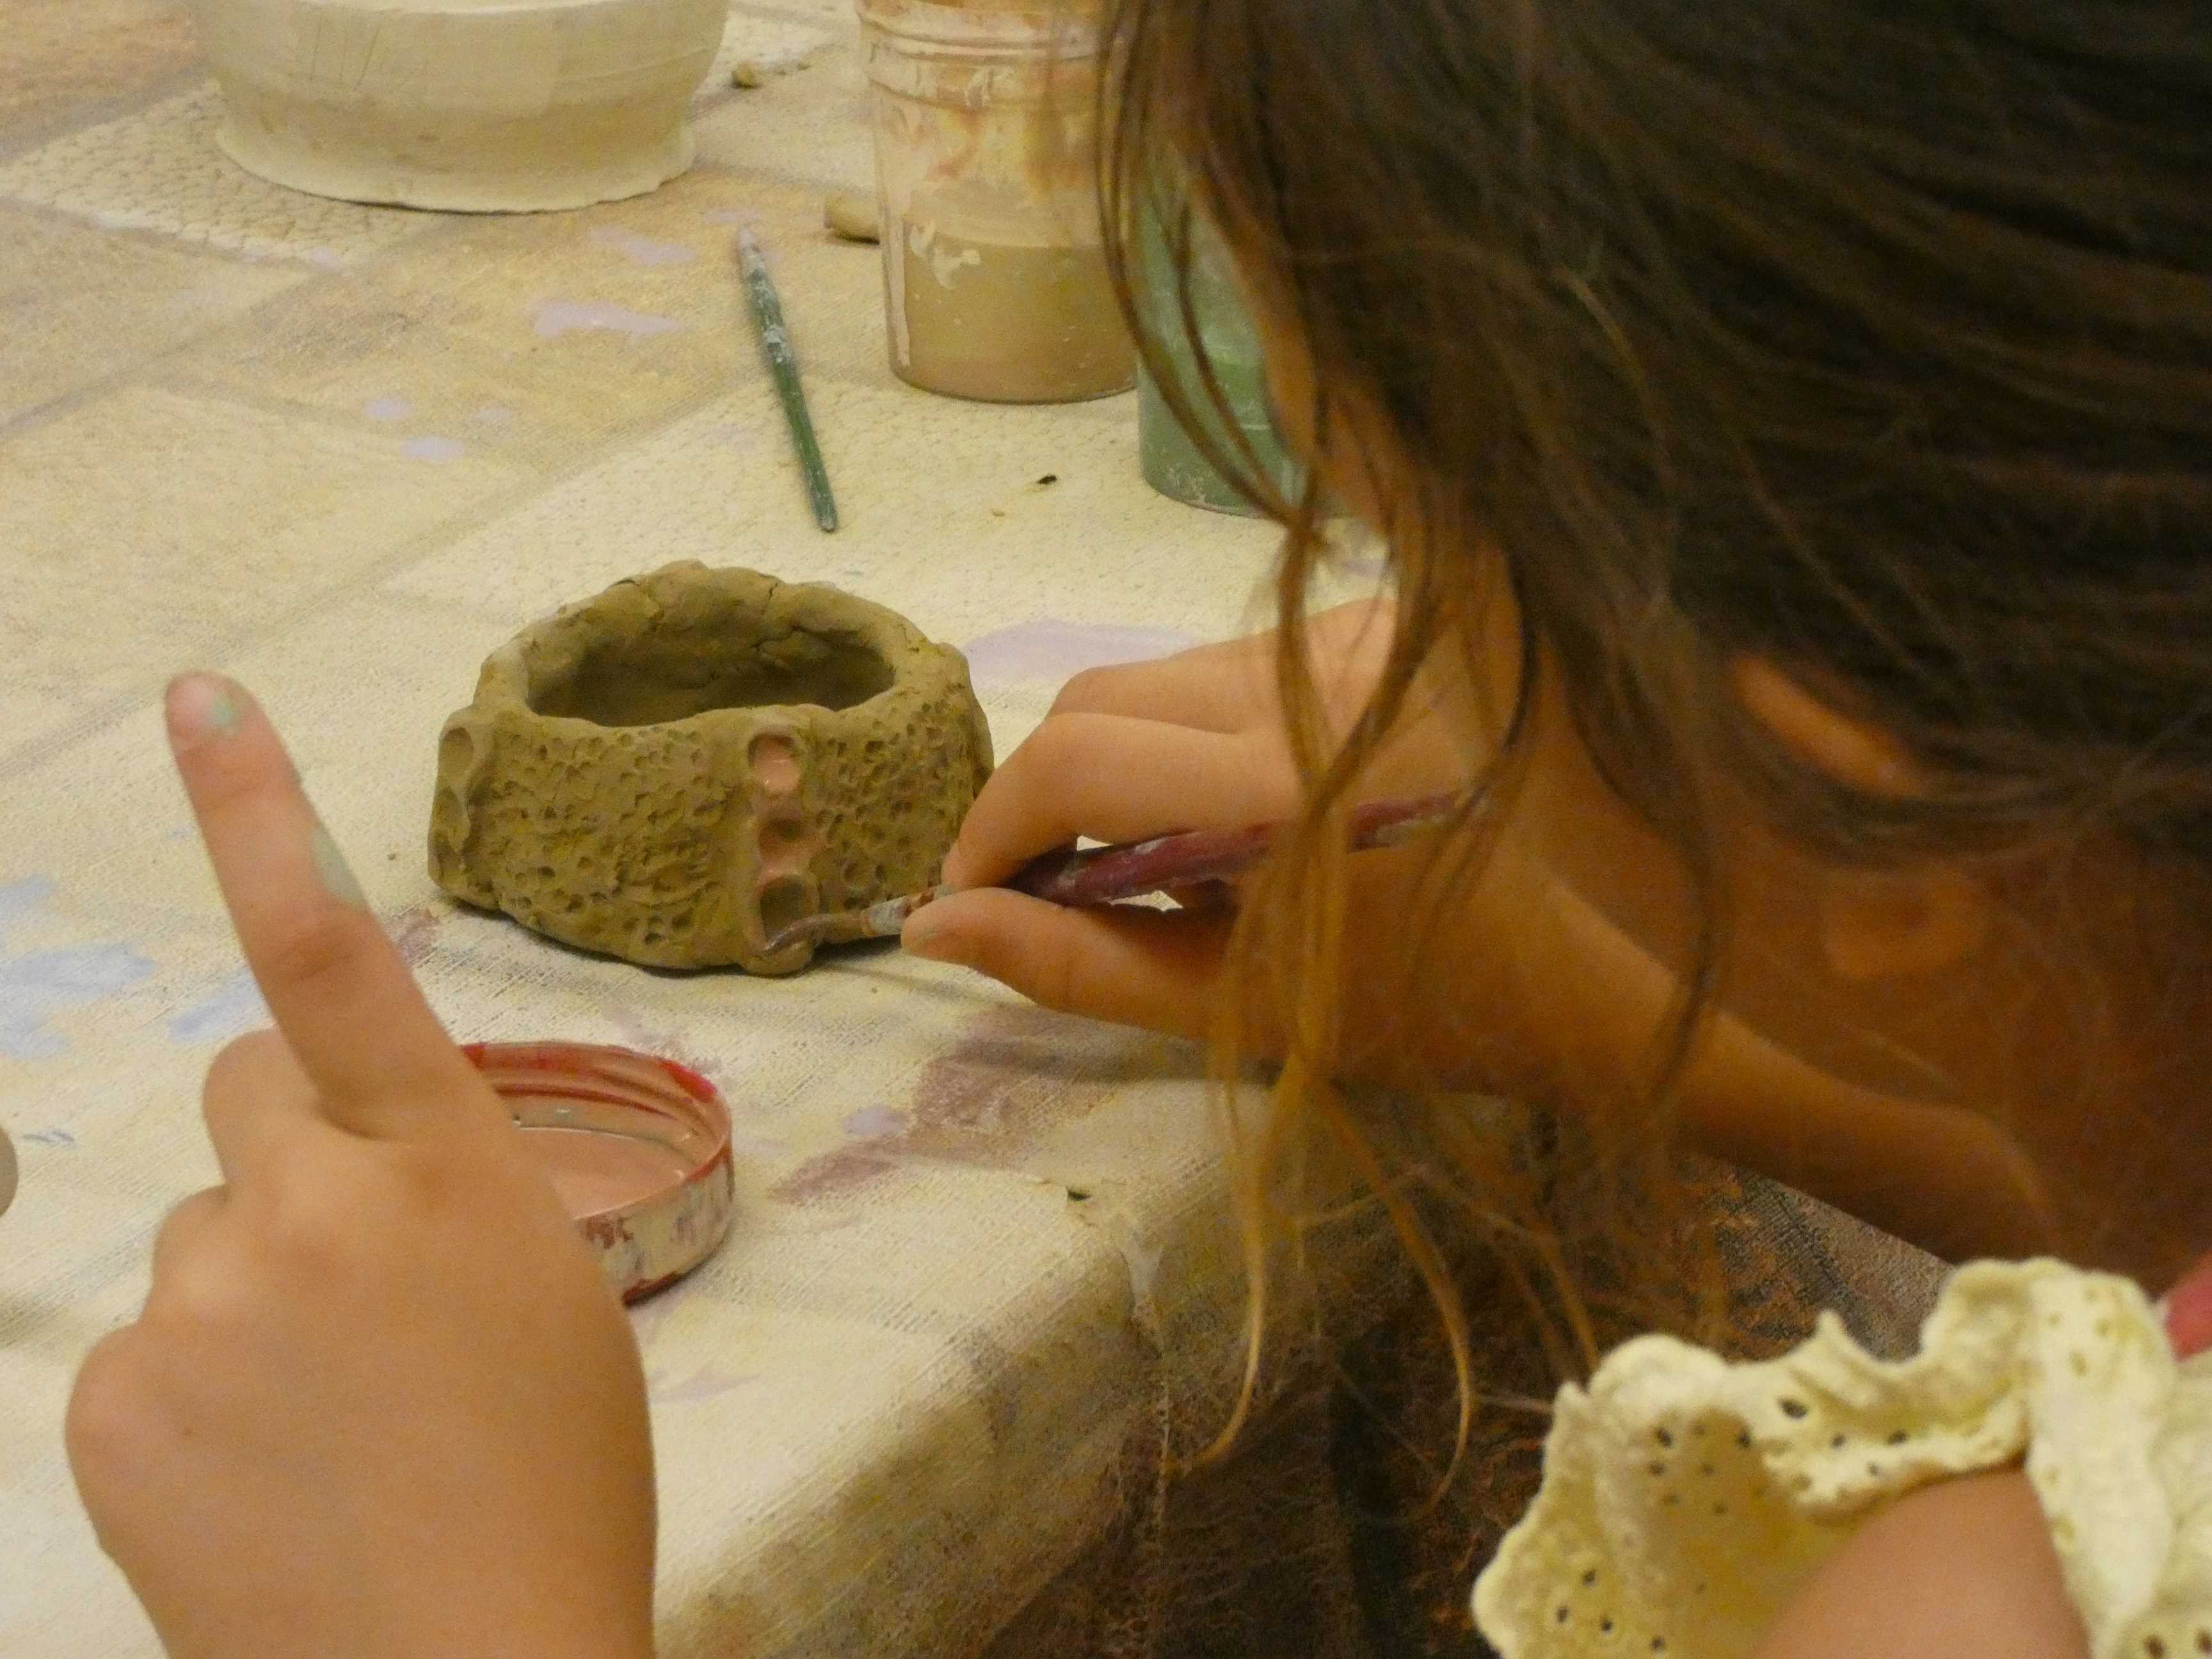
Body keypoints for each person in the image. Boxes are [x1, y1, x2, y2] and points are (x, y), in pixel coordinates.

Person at [65, 0, 2212, 1650]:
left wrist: (465, 1617)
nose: (1359, 667)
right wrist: (1680, 1008)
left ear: (1859, 777)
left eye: (1426, 564)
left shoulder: (1998, 1604)